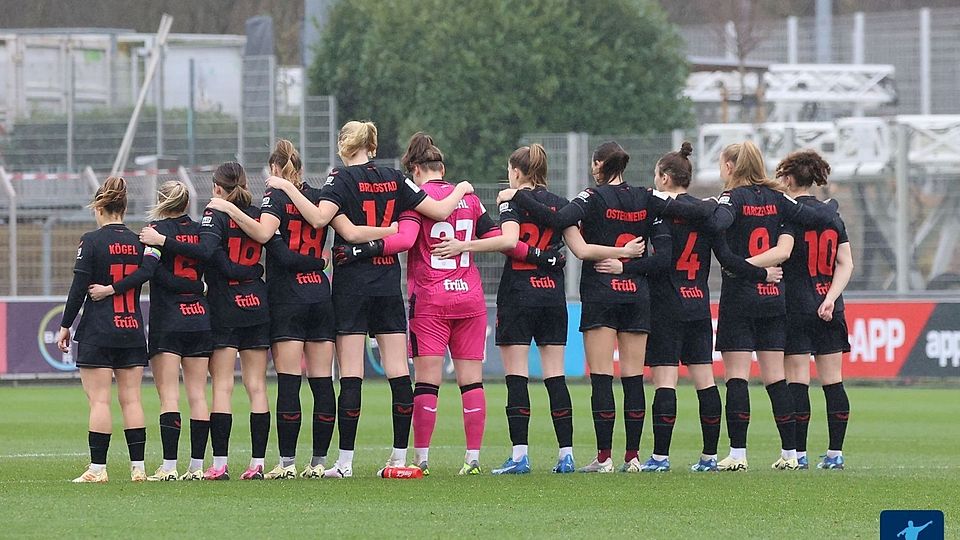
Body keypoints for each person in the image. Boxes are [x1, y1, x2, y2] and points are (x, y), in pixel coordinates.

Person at [267, 122, 473, 478]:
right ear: (373, 146)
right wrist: (464, 189)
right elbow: (439, 212)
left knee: (351, 375)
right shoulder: (395, 177)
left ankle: (344, 463)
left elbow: (319, 219)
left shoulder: (341, 179)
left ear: (344, 146)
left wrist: (286, 185)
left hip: (352, 285)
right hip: (386, 284)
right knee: (398, 374)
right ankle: (399, 457)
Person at [499, 141, 709, 473]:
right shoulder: (645, 196)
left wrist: (519, 195)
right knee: (633, 379)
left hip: (601, 294)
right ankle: (634, 457)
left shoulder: (592, 197)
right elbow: (683, 213)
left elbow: (561, 218)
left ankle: (604, 458)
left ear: (598, 165)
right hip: (637, 295)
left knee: (601, 379)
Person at [206, 140, 391, 480]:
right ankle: (319, 461)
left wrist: (229, 209)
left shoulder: (276, 196)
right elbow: (347, 232)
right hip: (320, 294)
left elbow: (266, 236)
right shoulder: (321, 197)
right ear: (301, 169)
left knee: (290, 384)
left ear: (275, 171)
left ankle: (287, 462)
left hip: (288, 297)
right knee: (322, 383)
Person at [337, 132, 518, 475]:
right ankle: (473, 459)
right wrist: (465, 247)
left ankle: (420, 458)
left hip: (432, 300)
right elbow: (500, 241)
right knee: (472, 381)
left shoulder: (416, 198)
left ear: (416, 170)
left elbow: (404, 240)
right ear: (443, 167)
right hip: (470, 297)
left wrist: (362, 248)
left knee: (426, 382)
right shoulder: (470, 200)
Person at [705, 141, 839, 472]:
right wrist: (830, 209)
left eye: (723, 164)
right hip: (773, 297)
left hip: (740, 294)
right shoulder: (779, 198)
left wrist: (739, 261)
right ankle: (791, 453)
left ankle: (737, 454)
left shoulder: (732, 198)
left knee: (736, 377)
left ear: (731, 167)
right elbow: (813, 215)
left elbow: (717, 224)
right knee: (775, 379)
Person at [142, 162, 270, 480]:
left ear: (216, 188)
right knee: (257, 387)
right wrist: (255, 273)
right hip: (255, 303)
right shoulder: (259, 214)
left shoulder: (214, 215)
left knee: (221, 387)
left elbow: (210, 254)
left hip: (223, 307)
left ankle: (217, 464)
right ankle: (257, 463)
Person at [745, 150, 853, 470]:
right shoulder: (833, 215)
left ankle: (799, 454)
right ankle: (835, 454)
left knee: (798, 381)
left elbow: (781, 253)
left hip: (796, 304)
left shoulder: (788, 215)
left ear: (789, 179)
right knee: (833, 381)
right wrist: (831, 298)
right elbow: (846, 263)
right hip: (829, 305)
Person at [58, 176, 157, 483]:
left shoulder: (91, 240)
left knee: (100, 400)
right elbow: (145, 274)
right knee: (132, 399)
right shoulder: (140, 241)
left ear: (99, 208)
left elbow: (78, 288)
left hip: (99, 329)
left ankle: (98, 469)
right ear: (124, 207)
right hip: (131, 327)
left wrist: (65, 325)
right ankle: (138, 468)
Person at [487, 144, 575, 474]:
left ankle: (520, 456)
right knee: (556, 376)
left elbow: (509, 241)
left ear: (518, 173)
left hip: (518, 293)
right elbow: (577, 248)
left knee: (517, 377)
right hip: (552, 295)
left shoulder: (512, 201)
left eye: (510, 170)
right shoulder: (561, 205)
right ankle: (566, 454)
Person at [137, 181, 222, 481]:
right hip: (199, 317)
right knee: (198, 394)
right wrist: (198, 286)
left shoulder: (154, 231)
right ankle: (197, 467)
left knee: (169, 396)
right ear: (187, 203)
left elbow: (155, 276)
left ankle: (170, 466)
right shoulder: (200, 230)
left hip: (169, 320)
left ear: (161, 201)